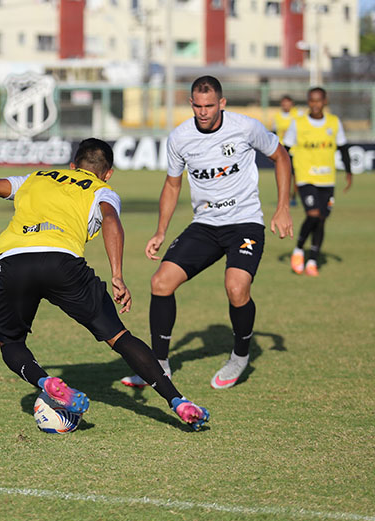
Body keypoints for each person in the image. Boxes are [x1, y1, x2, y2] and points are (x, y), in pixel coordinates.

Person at [0, 138, 210, 431]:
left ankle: (45, 381)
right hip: (63, 264)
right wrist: (117, 275)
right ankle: (178, 401)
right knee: (120, 337)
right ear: (108, 173)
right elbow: (111, 221)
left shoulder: (36, 177)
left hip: (16, 261)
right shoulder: (102, 190)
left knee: (10, 342)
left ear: (73, 165)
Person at [120, 76, 293, 391]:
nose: (203, 112)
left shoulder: (245, 127)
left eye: (209, 106)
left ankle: (240, 356)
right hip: (205, 225)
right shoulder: (180, 138)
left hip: (245, 222)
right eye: (197, 106)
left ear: (222, 103)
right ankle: (159, 366)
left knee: (236, 288)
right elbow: (172, 184)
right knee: (160, 283)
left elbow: (281, 157)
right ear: (191, 104)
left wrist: (283, 207)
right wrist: (160, 231)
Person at [284, 87, 353, 277]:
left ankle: (312, 261)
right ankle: (298, 250)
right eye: (312, 101)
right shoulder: (298, 124)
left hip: (327, 179)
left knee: (321, 220)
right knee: (313, 215)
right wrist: (289, 173)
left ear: (325, 101)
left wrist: (348, 171)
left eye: (318, 100)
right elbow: (285, 150)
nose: (315, 104)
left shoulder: (333, 122)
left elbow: (343, 148)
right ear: (308, 101)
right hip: (306, 178)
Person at [272, 95, 301, 206]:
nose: (285, 105)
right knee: (284, 174)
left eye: (287, 103)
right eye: (283, 103)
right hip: (282, 151)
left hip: (296, 151)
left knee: (296, 176)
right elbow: (274, 133)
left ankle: (294, 197)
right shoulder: (277, 117)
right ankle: (285, 197)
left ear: (292, 104)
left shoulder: (298, 115)